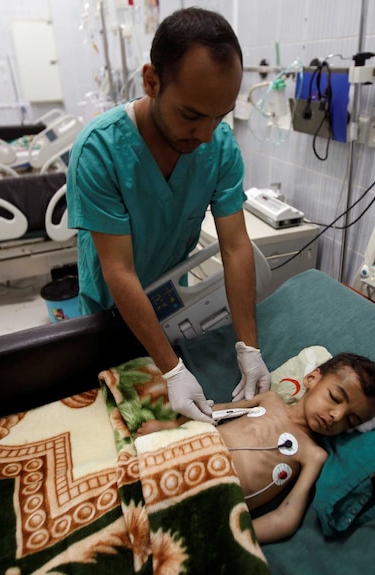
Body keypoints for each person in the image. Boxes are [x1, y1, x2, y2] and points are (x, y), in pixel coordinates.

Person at [67, 7, 270, 424]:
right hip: (109, 304)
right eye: (192, 115)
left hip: (167, 297)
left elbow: (234, 247)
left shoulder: (219, 148)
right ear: (152, 81)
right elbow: (118, 271)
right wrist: (173, 370)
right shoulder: (100, 151)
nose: (206, 134)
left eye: (221, 116)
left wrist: (249, 348)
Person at [138, 352, 375, 544]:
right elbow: (214, 413)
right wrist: (168, 426)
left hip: (207, 504)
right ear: (312, 378)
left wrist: (233, 535)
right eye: (335, 397)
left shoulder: (313, 454)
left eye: (351, 421)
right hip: (174, 460)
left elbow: (287, 516)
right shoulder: (269, 400)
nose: (337, 415)